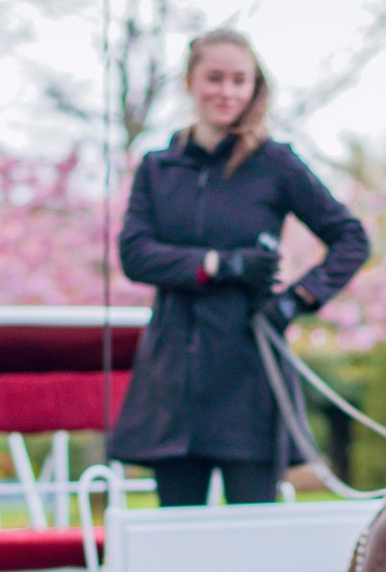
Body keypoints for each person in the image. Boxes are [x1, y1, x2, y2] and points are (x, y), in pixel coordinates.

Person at [109, 28, 370, 506]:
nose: (226, 92)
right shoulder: (157, 167)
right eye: (214, 78)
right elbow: (134, 254)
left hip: (249, 375)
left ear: (254, 87)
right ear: (190, 82)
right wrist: (219, 263)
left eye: (239, 80)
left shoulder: (277, 164)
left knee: (252, 537)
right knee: (177, 532)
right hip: (174, 382)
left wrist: (295, 300)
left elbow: (351, 238)